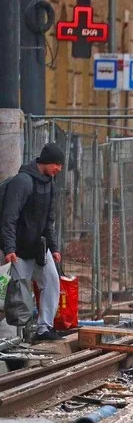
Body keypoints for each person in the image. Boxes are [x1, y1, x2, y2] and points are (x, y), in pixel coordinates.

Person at [0, 143, 64, 341]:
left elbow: (48, 220)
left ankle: (44, 328)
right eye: (57, 164)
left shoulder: (50, 184)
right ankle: (16, 336)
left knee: (52, 282)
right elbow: (9, 217)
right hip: (18, 251)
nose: (59, 169)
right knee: (14, 296)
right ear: (46, 162)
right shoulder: (23, 182)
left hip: (39, 248)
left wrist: (54, 248)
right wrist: (9, 248)